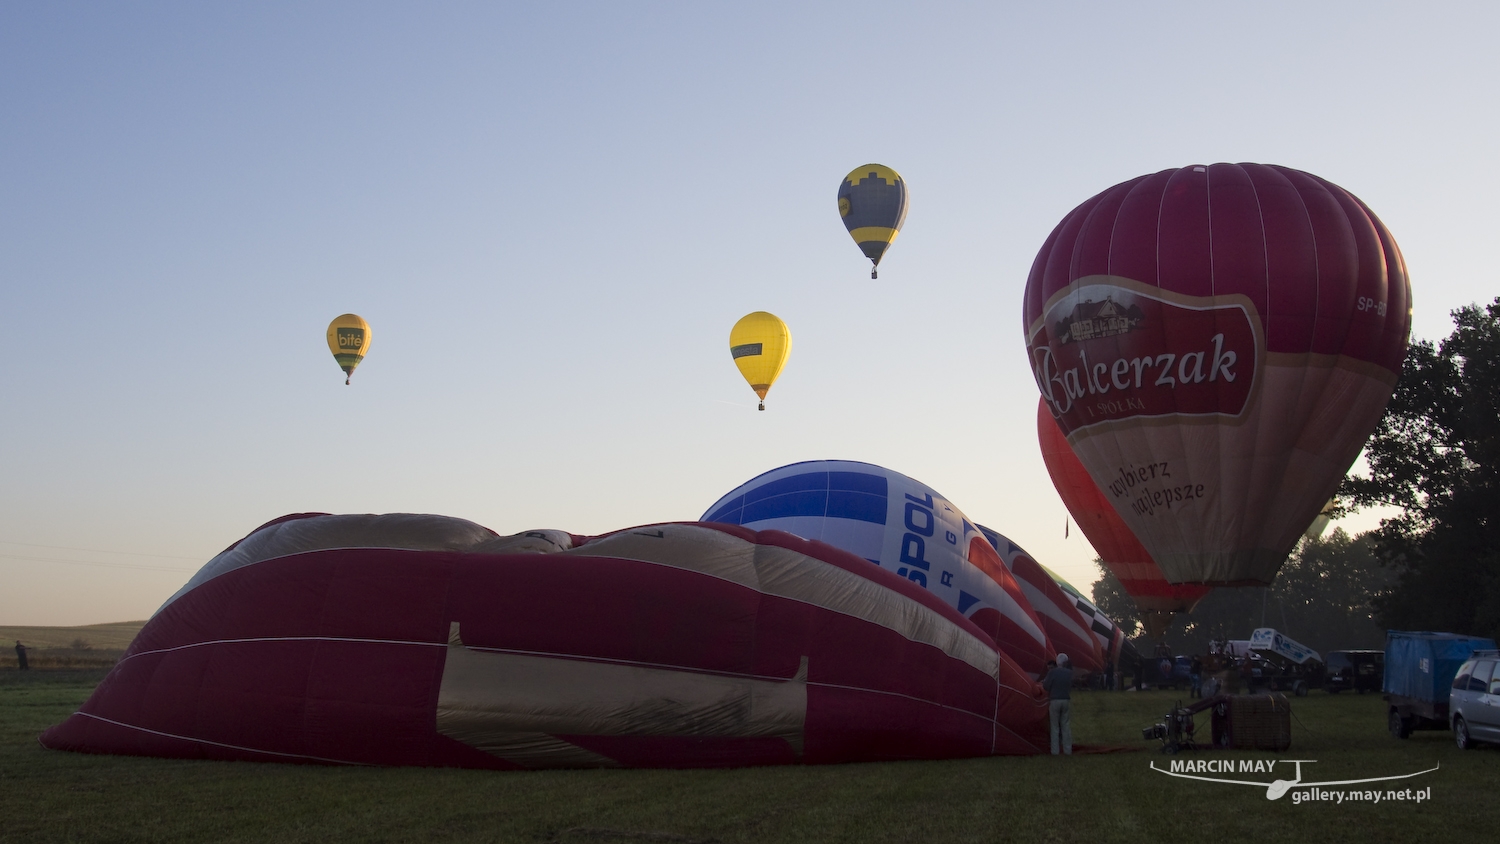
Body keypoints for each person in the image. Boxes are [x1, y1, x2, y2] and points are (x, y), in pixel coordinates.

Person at [1040, 653, 1073, 755]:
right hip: (1066, 700)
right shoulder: (1069, 673)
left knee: (1054, 727)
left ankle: (1055, 751)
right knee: (1065, 725)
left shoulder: (1052, 672)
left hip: (1054, 700)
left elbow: (1046, 686)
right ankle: (1068, 750)